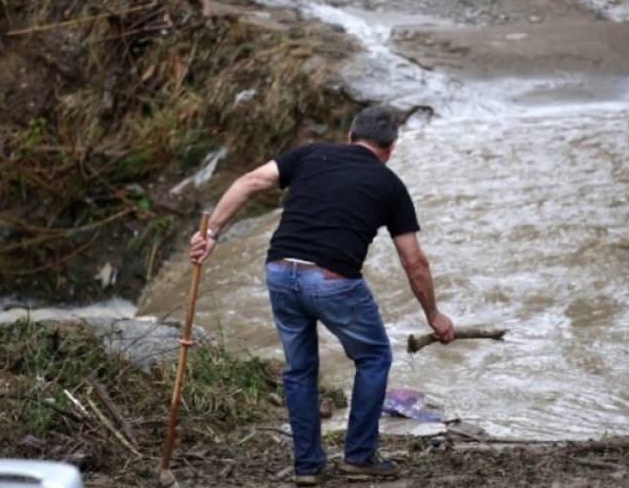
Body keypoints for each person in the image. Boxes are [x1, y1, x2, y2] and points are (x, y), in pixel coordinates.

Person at [189, 106, 455, 486]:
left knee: (299, 370)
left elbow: (248, 181)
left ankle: (307, 466)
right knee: (374, 355)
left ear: (350, 135)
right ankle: (360, 457)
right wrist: (434, 316)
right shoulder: (390, 185)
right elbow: (414, 261)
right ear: (391, 148)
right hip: (331, 280)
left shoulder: (310, 153)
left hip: (279, 270)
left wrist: (212, 235)